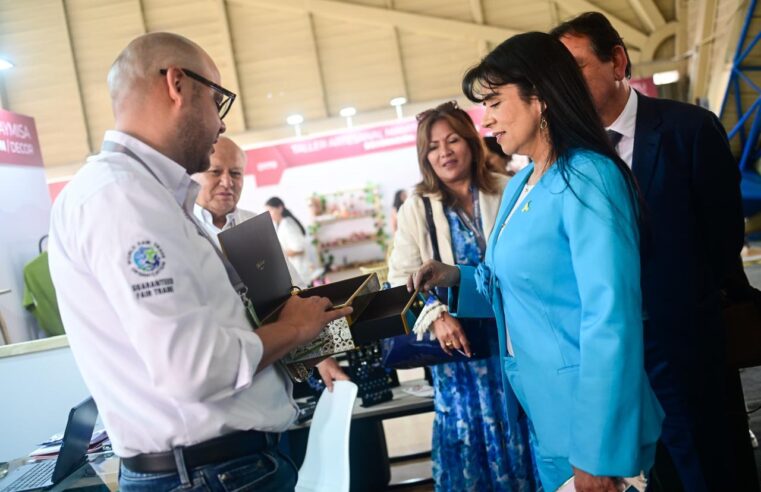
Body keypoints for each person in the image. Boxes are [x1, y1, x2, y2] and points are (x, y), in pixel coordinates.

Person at [47, 32, 352, 492]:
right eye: (218, 100)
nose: (221, 124)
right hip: (214, 475)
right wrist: (294, 329)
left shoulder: (149, 198)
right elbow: (194, 368)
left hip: (223, 470)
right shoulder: (124, 200)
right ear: (176, 84)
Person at [410, 32, 664, 492]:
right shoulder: (523, 183)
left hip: (587, 421)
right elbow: (517, 284)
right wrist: (458, 278)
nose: (485, 120)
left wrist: (599, 451)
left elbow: (612, 319)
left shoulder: (587, 176)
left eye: (493, 103)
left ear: (540, 98)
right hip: (543, 414)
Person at [551, 13, 745, 491]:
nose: (566, 87)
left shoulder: (688, 129)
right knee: (655, 476)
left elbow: (723, 237)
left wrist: (679, 305)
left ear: (617, 60)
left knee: (712, 467)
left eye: (576, 67)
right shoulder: (572, 158)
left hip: (687, 345)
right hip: (619, 360)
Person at [388, 101, 537, 491]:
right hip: (458, 355)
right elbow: (399, 278)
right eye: (433, 147)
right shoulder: (416, 208)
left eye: (452, 140)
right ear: (425, 158)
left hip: (515, 345)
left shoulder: (509, 189)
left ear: (471, 142)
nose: (445, 152)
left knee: (524, 433)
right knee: (469, 446)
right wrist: (437, 314)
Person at [193, 136, 347, 390]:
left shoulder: (254, 225)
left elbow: (293, 291)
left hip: (272, 363)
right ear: (194, 174)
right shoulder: (181, 230)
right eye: (215, 172)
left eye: (236, 173)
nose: (227, 182)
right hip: (218, 372)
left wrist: (322, 357)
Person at [264, 197, 316, 284]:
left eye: (271, 210)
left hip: (301, 272)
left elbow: (299, 248)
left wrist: (277, 255)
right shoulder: (280, 224)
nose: (269, 214)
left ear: (280, 208)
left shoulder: (287, 224)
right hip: (296, 272)